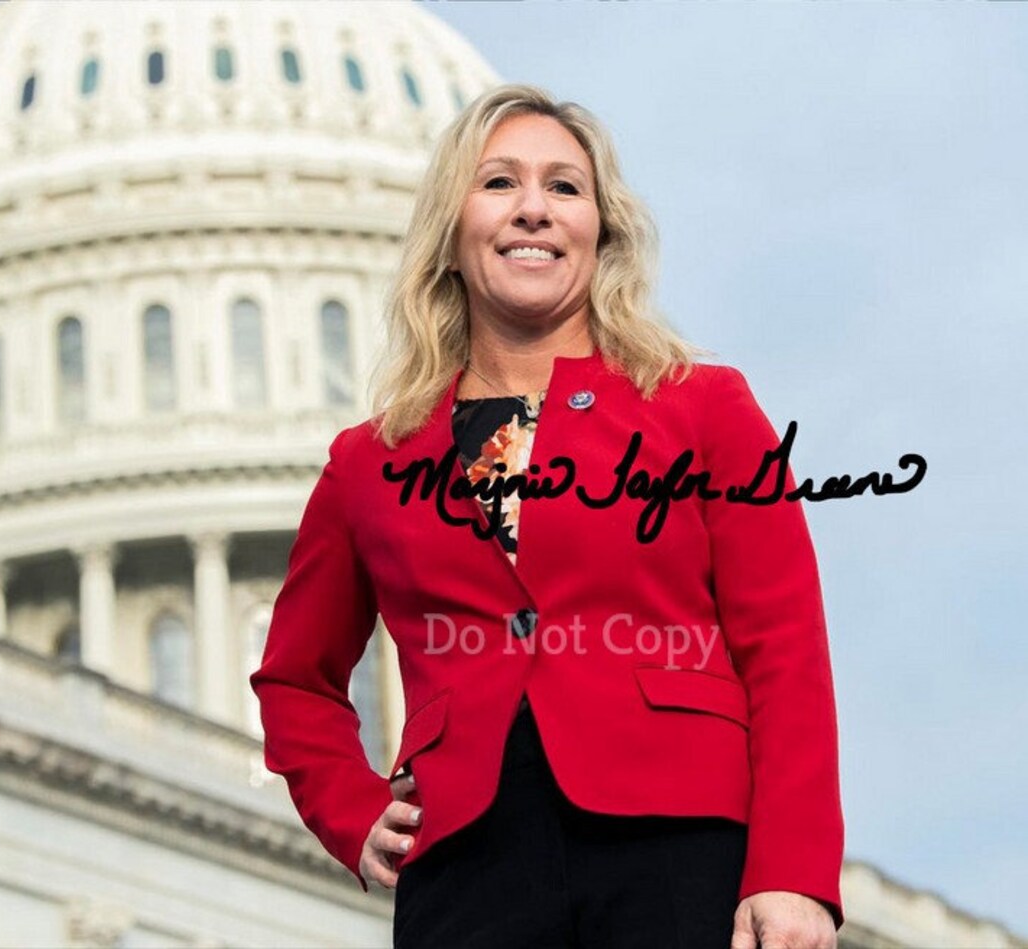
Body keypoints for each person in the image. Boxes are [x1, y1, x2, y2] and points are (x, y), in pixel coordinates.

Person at [250, 84, 843, 949]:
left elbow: (786, 648)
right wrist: (352, 806)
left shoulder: (704, 408)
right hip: (468, 866)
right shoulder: (369, 462)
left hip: (678, 846)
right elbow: (295, 679)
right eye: (498, 183)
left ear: (601, 234)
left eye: (565, 188)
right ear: (450, 236)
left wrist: (793, 872)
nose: (534, 208)